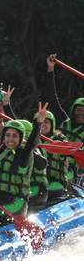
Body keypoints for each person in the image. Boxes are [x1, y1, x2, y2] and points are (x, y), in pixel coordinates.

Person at [0, 103, 48, 223]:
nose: (10, 139)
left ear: (21, 139)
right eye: (8, 135)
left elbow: (32, 143)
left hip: (15, 205)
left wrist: (38, 123)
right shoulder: (0, 153)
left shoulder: (23, 155)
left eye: (15, 136)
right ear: (3, 137)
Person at [42, 54, 84, 182]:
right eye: (79, 110)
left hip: (74, 170)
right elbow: (52, 97)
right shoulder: (63, 120)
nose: (81, 113)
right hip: (52, 163)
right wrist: (50, 69)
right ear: (73, 110)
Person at [17, 119, 48, 210]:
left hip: (37, 190)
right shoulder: (15, 149)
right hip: (26, 190)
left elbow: (42, 164)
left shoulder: (34, 150)